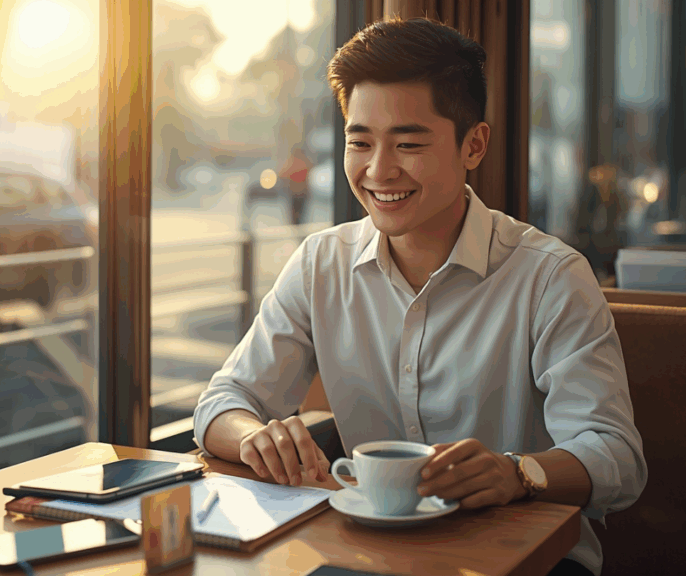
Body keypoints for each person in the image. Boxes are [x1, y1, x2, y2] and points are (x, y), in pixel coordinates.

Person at [193, 17, 646, 576]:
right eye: (360, 142)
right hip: (369, 554)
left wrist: (518, 473)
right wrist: (257, 437)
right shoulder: (320, 264)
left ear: (473, 145)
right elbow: (222, 403)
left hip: (531, 557)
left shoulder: (550, 277)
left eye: (408, 143)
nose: (379, 170)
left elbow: (618, 456)